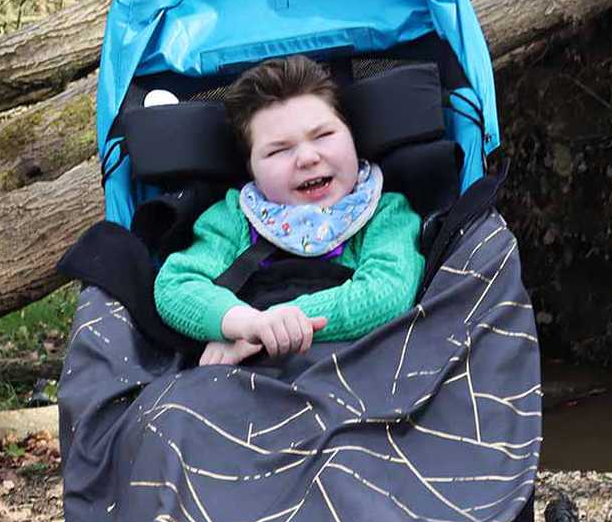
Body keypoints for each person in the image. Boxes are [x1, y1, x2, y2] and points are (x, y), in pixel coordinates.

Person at [155, 55, 425, 366]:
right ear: (251, 170)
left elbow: (387, 291)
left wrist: (276, 327)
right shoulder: (233, 219)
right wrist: (245, 324)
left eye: (323, 136)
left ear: (353, 138)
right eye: (279, 150)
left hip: (355, 369)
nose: (307, 158)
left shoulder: (385, 213)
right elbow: (176, 285)